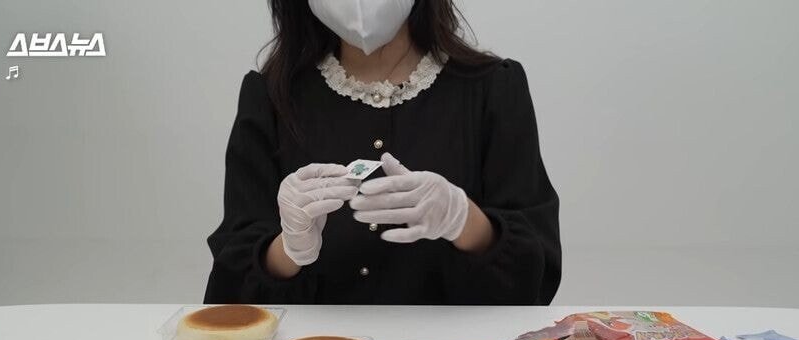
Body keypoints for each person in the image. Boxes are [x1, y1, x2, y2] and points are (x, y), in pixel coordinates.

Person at [204, 0, 561, 305]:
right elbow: (229, 289)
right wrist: (289, 249)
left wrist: (464, 220)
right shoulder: (270, 98)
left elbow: (536, 275)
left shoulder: (494, 90)